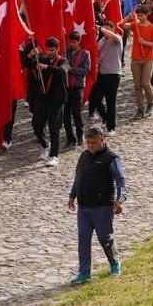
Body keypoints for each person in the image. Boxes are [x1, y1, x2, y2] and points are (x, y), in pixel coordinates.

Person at [67, 126, 126, 285]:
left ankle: (114, 262)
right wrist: (72, 196)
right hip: (84, 207)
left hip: (103, 207)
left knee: (104, 237)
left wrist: (120, 200)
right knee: (83, 239)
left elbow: (121, 181)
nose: (90, 145)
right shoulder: (84, 156)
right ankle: (84, 271)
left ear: (102, 139)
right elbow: (78, 178)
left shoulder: (111, 159)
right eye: (88, 142)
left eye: (93, 142)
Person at [30, 37, 69, 166]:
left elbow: (62, 71)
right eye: (48, 50)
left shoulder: (63, 61)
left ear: (57, 49)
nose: (49, 52)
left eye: (52, 50)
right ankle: (45, 144)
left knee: (54, 128)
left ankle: (54, 155)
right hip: (42, 98)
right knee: (36, 124)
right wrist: (31, 55)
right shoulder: (42, 59)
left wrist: (47, 67)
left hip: (56, 99)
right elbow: (28, 63)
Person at [120, 6, 153, 118]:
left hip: (148, 59)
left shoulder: (152, 28)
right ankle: (140, 109)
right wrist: (128, 17)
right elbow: (121, 25)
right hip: (136, 59)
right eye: (138, 15)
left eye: (141, 15)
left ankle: (151, 103)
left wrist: (145, 42)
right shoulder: (135, 25)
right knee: (137, 85)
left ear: (146, 15)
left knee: (145, 83)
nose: (139, 17)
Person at [87, 20, 122, 134]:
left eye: (108, 28)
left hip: (113, 74)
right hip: (102, 73)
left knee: (110, 101)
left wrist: (101, 29)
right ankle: (105, 118)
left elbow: (113, 37)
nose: (105, 30)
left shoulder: (117, 38)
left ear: (112, 29)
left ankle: (111, 127)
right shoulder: (101, 41)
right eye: (104, 28)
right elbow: (97, 52)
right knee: (94, 98)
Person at [64, 31, 91, 148]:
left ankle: (80, 135)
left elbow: (86, 70)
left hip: (78, 86)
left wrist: (71, 69)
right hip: (66, 86)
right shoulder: (66, 52)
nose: (72, 44)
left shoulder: (85, 54)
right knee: (65, 115)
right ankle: (70, 138)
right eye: (70, 42)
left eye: (74, 42)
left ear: (79, 41)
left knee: (76, 112)